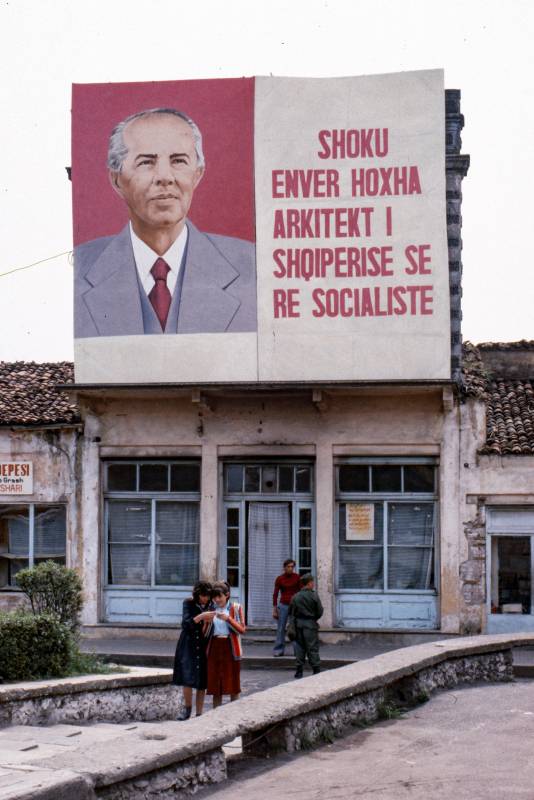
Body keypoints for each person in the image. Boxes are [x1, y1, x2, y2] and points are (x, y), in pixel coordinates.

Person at [74, 107, 256, 338]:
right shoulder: (79, 268)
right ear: (116, 179)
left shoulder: (252, 266)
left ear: (197, 174)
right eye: (146, 162)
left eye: (178, 160)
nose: (165, 177)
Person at [172, 581, 214, 720]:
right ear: (197, 594)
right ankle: (187, 710)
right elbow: (185, 624)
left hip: (203, 644)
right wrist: (201, 617)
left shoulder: (212, 605)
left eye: (207, 596)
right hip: (189, 644)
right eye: (203, 595)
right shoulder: (188, 603)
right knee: (187, 677)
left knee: (202, 679)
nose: (205, 599)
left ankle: (200, 713)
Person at [205, 581, 246, 709]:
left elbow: (242, 630)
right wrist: (207, 622)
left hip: (230, 646)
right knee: (215, 683)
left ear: (227, 595)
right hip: (215, 647)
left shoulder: (236, 607)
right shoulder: (211, 609)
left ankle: (234, 711)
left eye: (219, 596)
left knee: (233, 683)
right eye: (214, 597)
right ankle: (215, 712)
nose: (217, 600)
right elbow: (205, 634)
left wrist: (228, 619)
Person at [289, 573, 323, 679]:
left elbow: (292, 612)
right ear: (309, 583)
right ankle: (316, 669)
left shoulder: (295, 596)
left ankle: (299, 671)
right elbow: (320, 611)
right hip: (310, 624)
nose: (313, 584)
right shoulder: (314, 595)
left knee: (299, 647)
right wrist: (313, 618)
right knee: (312, 647)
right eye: (312, 582)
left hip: (298, 624)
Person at [272, 559, 301, 656]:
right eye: (288, 567)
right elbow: (275, 594)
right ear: (284, 568)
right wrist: (275, 608)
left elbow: (301, 592)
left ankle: (297, 650)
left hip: (294, 605)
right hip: (283, 605)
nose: (290, 568)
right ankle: (278, 650)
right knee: (281, 628)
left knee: (294, 628)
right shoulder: (280, 579)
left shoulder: (297, 577)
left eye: (292, 567)